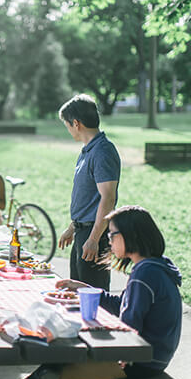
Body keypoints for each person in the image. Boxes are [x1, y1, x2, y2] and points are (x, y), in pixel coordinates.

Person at [21, 205, 182, 379]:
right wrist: (84, 288)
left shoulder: (145, 274)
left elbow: (129, 325)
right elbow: (123, 304)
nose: (109, 240)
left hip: (143, 360)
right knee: (56, 361)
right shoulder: (153, 266)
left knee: (63, 362)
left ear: (130, 235)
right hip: (154, 356)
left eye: (112, 234)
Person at [57, 94, 120, 291]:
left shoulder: (103, 151)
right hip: (82, 233)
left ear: (76, 123)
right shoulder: (87, 151)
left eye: (67, 126)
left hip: (95, 235)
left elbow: (107, 198)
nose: (68, 131)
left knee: (93, 298)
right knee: (77, 295)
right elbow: (89, 198)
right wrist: (73, 227)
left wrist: (93, 239)